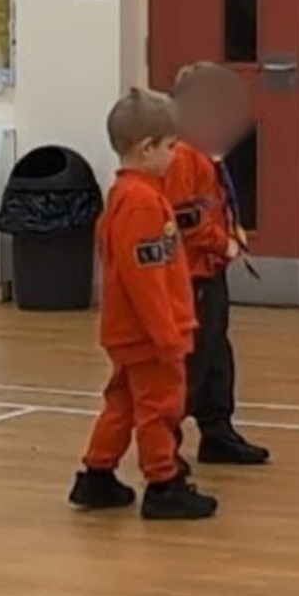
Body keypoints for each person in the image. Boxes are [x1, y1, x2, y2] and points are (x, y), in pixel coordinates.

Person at [68, 88, 219, 521]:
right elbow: (146, 280)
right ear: (146, 148)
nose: (176, 156)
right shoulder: (142, 204)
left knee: (122, 404)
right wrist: (166, 335)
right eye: (170, 147)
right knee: (160, 408)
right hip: (149, 334)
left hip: (130, 330)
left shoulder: (130, 196)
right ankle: (163, 483)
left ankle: (97, 474)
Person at [166, 61, 270, 466]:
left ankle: (217, 430)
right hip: (191, 276)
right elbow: (185, 218)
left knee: (216, 356)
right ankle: (165, 445)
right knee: (192, 361)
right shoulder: (181, 156)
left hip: (211, 272)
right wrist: (220, 243)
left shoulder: (208, 151)